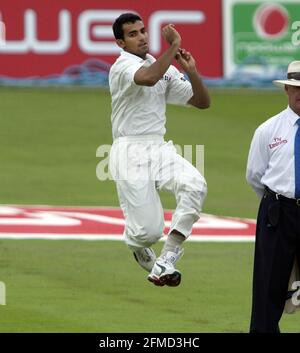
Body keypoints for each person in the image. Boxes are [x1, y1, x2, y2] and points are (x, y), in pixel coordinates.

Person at [108, 13, 210, 287]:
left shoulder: (160, 66)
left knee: (195, 185)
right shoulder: (122, 67)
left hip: (158, 146)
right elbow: (149, 78)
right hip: (129, 149)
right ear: (121, 42)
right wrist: (173, 47)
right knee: (147, 232)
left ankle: (167, 257)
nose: (141, 37)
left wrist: (191, 71)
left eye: (142, 31)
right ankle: (137, 245)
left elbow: (202, 102)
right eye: (133, 34)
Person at [246, 60, 300, 332]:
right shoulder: (268, 129)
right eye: (296, 88)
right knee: (269, 286)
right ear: (287, 90)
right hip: (278, 212)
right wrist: (278, 202)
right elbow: (255, 175)